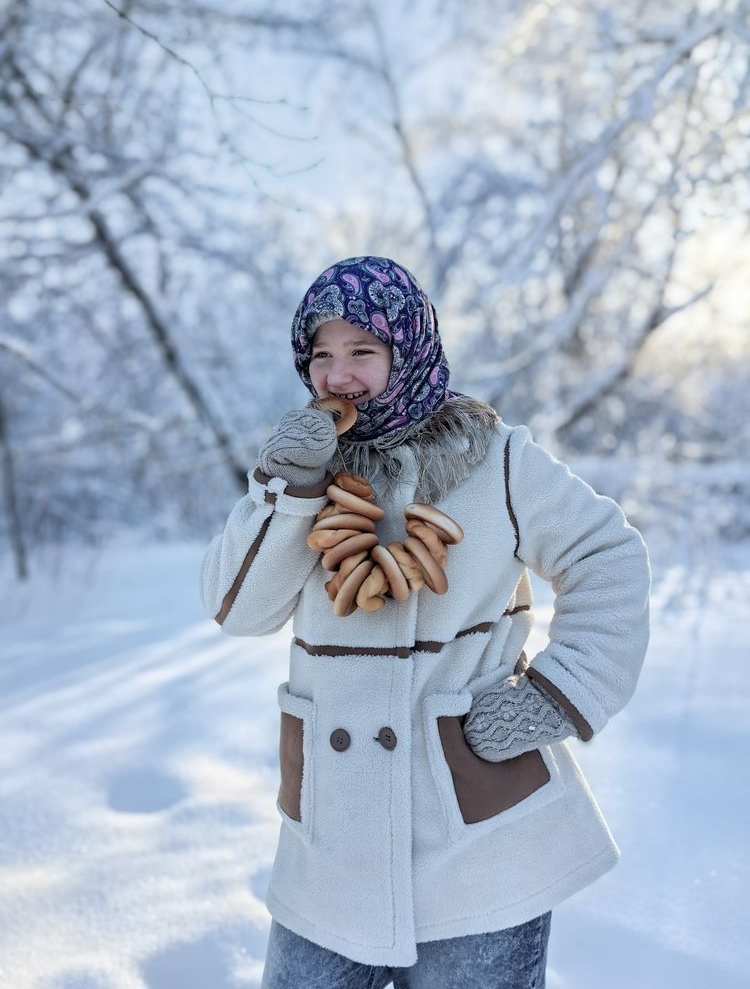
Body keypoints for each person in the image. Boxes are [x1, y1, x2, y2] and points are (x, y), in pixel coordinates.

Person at [199, 255, 651, 988]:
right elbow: (237, 610)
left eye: (363, 352)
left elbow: (609, 556)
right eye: (321, 357)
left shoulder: (498, 460)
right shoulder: (306, 470)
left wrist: (554, 697)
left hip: (477, 840)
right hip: (330, 851)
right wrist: (286, 490)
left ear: (407, 349)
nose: (338, 377)